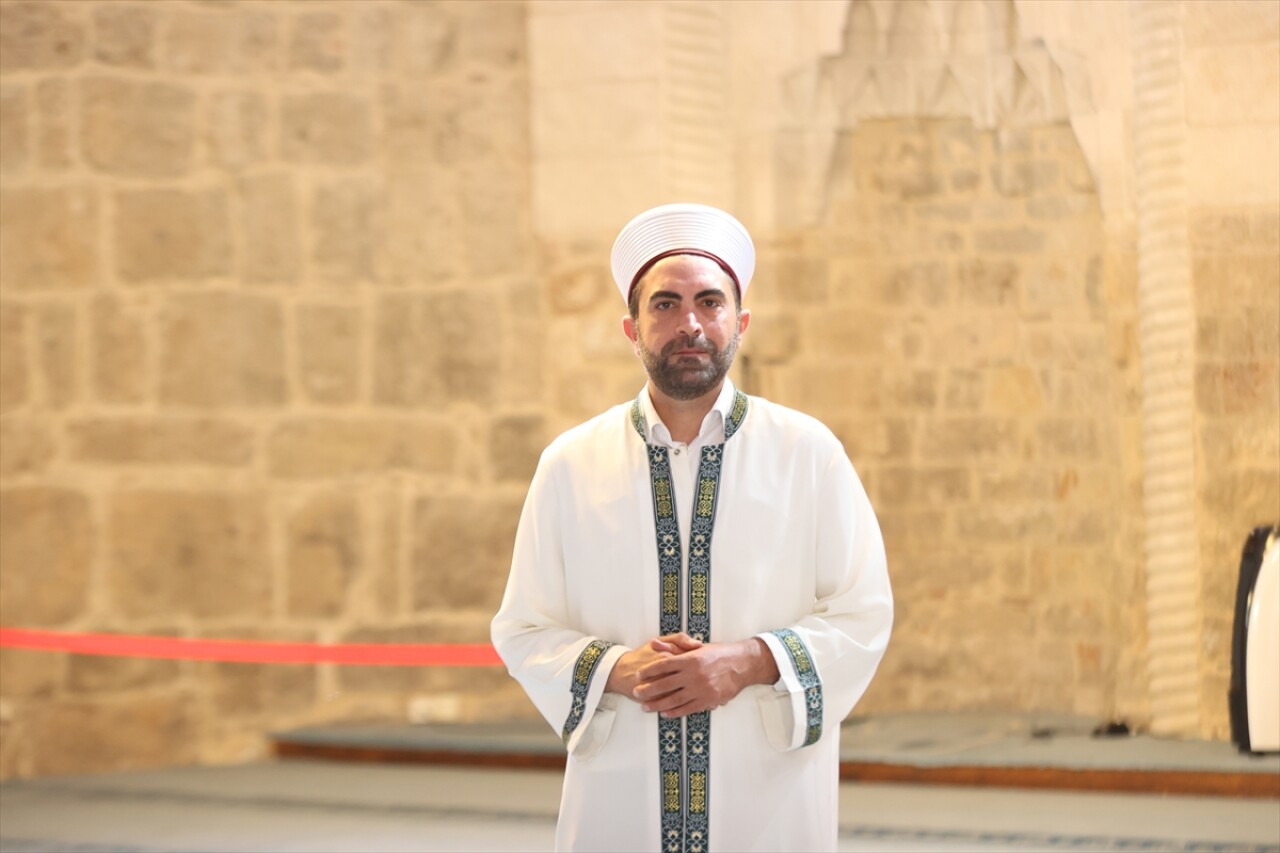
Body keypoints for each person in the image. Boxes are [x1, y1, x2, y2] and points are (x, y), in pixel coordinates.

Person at [491, 203, 893, 852]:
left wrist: (748, 661)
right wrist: (616, 669)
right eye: (665, 305)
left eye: (710, 302)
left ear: (741, 322)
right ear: (631, 328)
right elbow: (522, 630)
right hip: (618, 799)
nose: (690, 325)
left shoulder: (808, 453)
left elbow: (863, 614)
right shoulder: (570, 465)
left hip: (769, 801)